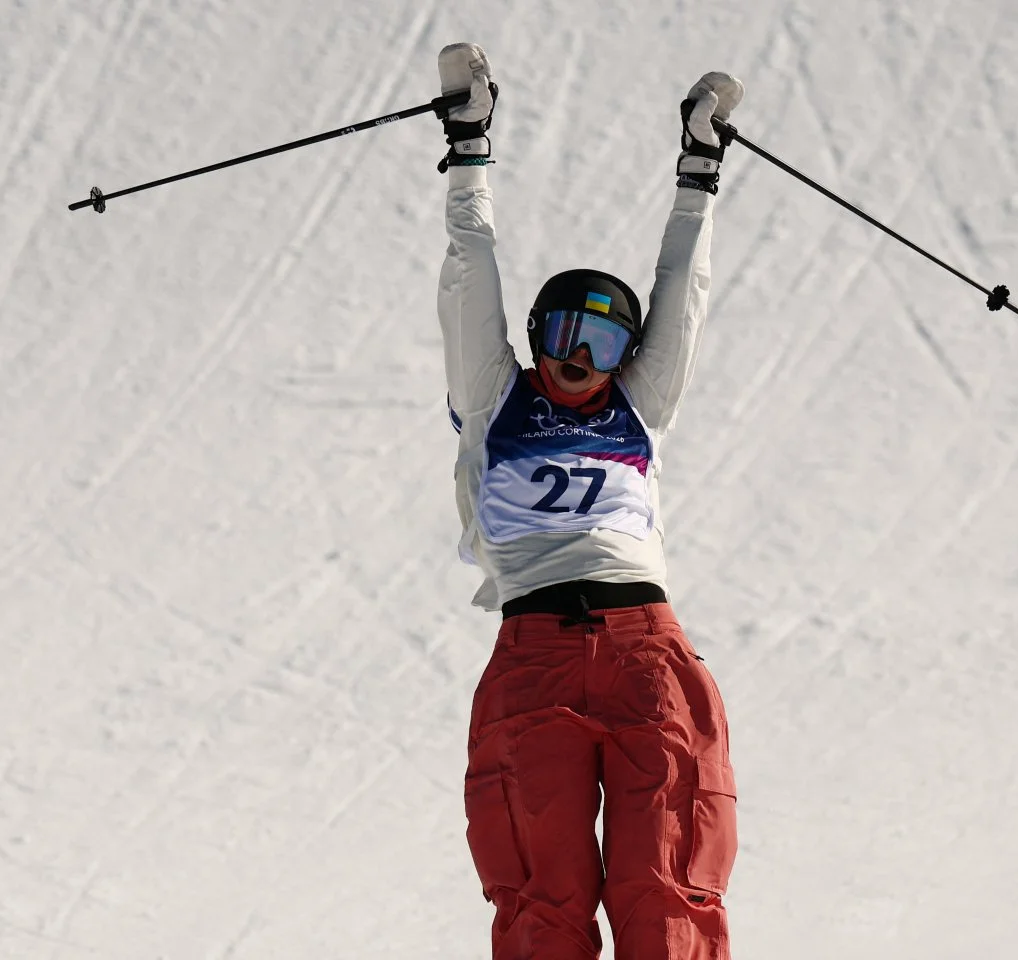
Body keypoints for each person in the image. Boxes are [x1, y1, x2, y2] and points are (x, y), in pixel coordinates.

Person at [433, 42, 744, 960]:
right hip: (534, 654)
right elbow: (470, 270)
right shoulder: (495, 396)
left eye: (604, 345)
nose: (579, 359)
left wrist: (699, 173)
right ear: (537, 336)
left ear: (626, 358)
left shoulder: (638, 406)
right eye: (566, 334)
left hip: (648, 652)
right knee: (541, 895)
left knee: (667, 886)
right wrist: (469, 150)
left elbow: (683, 295)